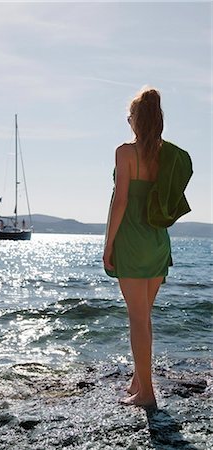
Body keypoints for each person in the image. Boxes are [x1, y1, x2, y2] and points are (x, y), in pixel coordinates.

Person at [103, 87, 192, 408]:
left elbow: (121, 201)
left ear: (136, 120)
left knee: (137, 319)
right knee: (145, 316)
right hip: (157, 240)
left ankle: (147, 394)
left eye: (130, 117)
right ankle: (138, 380)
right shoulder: (167, 154)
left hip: (132, 239)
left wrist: (108, 244)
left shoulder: (125, 153)